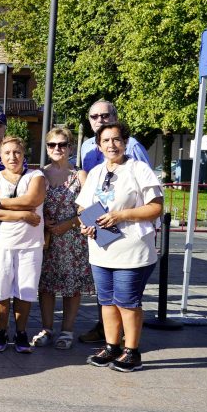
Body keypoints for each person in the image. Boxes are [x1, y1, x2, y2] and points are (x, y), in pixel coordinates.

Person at [76, 121, 163, 372]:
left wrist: (121, 216)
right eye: (106, 141)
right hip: (102, 250)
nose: (111, 145)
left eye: (116, 139)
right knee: (106, 301)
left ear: (125, 143)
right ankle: (112, 346)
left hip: (132, 251)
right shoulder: (96, 173)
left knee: (126, 301)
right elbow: (83, 207)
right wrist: (87, 224)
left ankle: (132, 352)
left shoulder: (139, 169)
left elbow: (156, 207)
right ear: (99, 145)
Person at [0, 137, 46, 353]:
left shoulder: (35, 175)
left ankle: (21, 333)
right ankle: (0, 332)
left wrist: (0, 202)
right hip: (2, 244)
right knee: (0, 292)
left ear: (23, 154)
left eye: (17, 152)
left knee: (25, 292)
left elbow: (32, 200)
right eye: (7, 153)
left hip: (30, 245)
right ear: (0, 156)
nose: (12, 157)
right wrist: (24, 216)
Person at [36, 127, 94, 349]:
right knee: (46, 286)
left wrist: (68, 224)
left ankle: (67, 330)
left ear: (70, 148)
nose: (57, 149)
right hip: (47, 239)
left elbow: (91, 209)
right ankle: (47, 328)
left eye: (62, 145)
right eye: (52, 145)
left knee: (72, 287)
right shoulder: (40, 174)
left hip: (73, 239)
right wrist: (45, 222)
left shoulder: (80, 175)